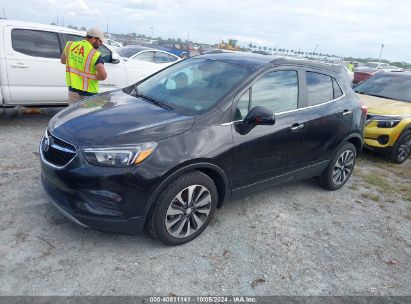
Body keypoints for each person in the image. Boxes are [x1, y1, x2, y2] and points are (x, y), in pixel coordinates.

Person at [61, 27, 108, 104]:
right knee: (88, 115)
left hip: (73, 90)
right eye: (100, 41)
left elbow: (63, 61)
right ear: (93, 39)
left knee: (74, 114)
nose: (101, 43)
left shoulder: (70, 45)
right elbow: (103, 76)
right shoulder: (95, 54)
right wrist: (95, 76)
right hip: (89, 93)